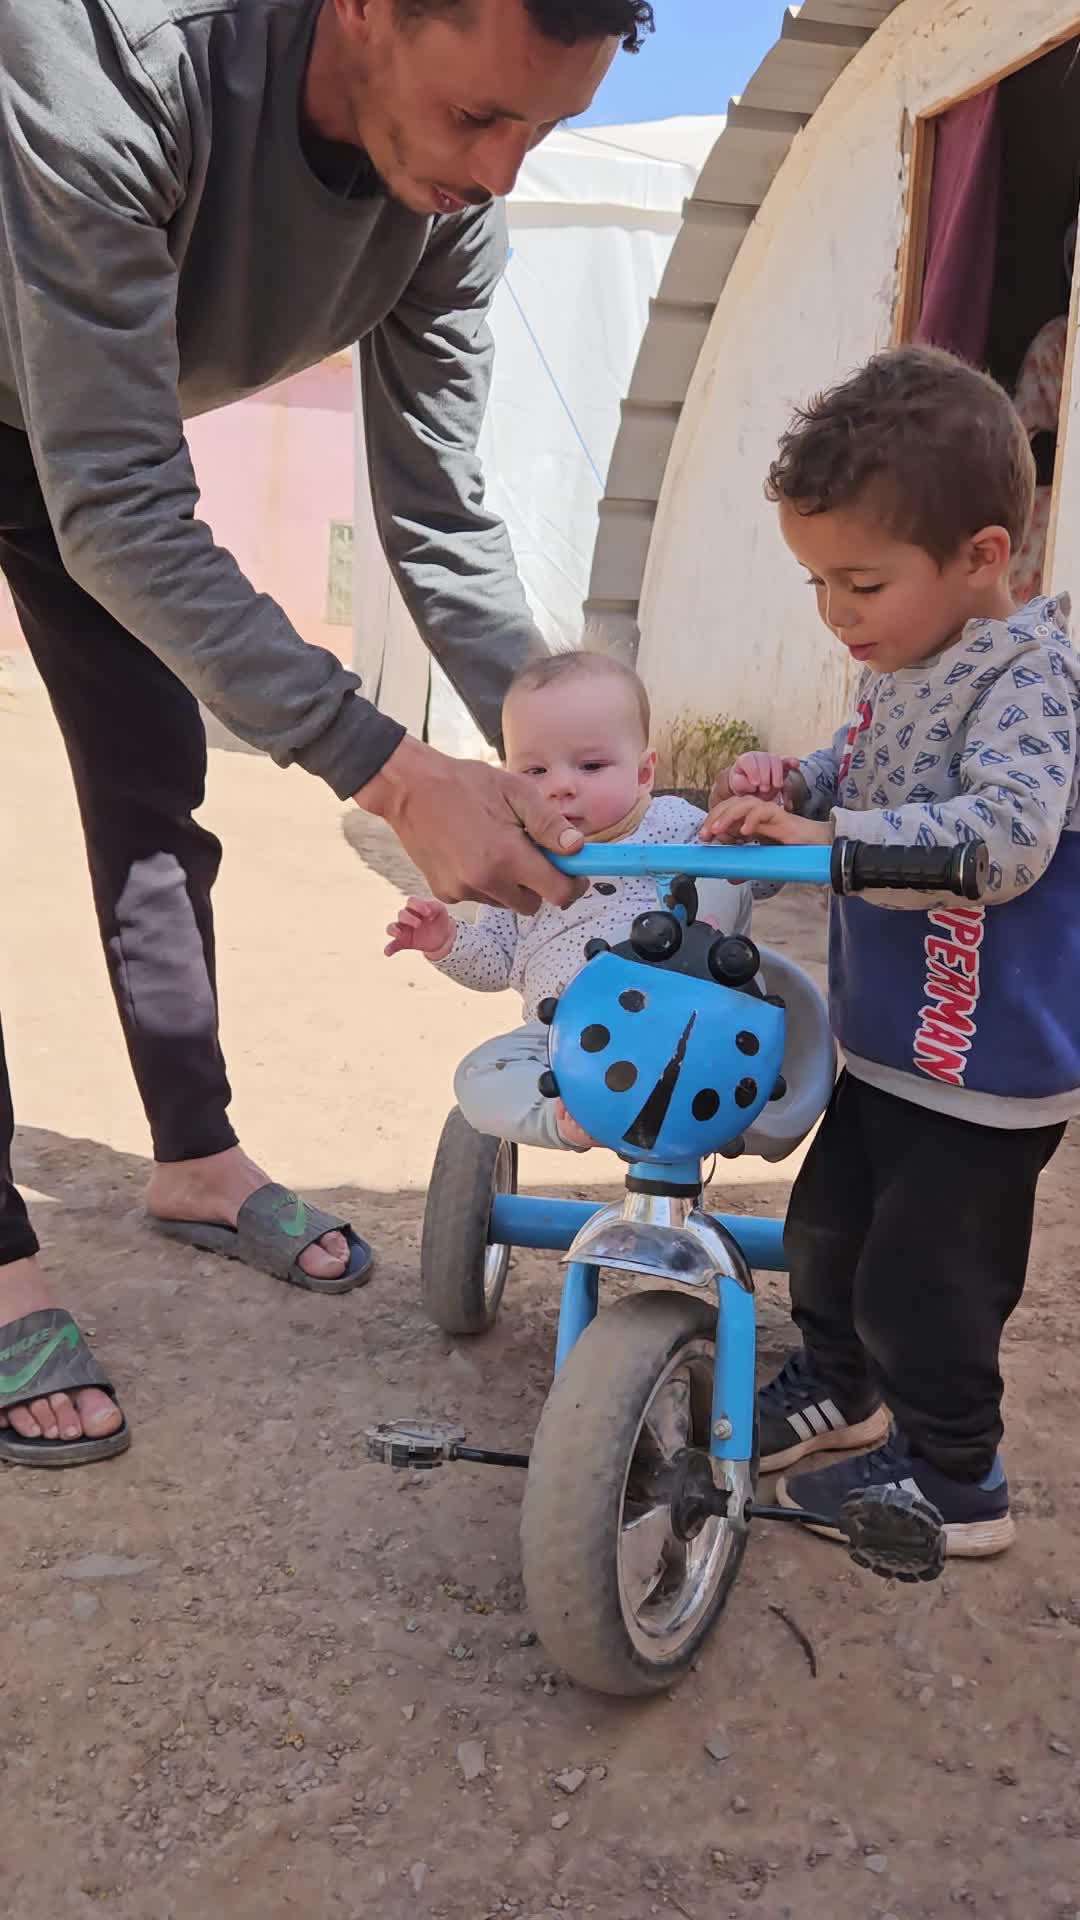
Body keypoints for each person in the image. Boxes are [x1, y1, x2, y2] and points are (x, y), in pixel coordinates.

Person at [0, 0, 654, 1465]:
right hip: (72, 432)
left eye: (543, 129)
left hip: (74, 444)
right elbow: (115, 497)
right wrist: (395, 770)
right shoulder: (115, 55)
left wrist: (574, 769)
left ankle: (196, 1158)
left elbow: (440, 520)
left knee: (154, 790)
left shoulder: (454, 206)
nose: (499, 173)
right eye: (481, 114)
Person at [703, 344, 1080, 1557]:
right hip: (893, 1042)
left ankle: (956, 1478)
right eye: (819, 583)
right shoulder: (911, 662)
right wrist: (796, 781)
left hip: (984, 1060)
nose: (836, 612)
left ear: (984, 555)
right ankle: (840, 1387)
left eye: (860, 582)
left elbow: (1005, 839)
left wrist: (830, 839)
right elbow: (865, 765)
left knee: (929, 1279)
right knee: (831, 1233)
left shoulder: (1031, 678)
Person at [385, 651, 753, 1150]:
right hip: (563, 1040)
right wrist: (445, 941)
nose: (560, 787)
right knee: (477, 1076)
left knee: (722, 864)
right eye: (535, 771)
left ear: (644, 773)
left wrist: (743, 831)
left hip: (683, 1025)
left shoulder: (673, 824)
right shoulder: (513, 856)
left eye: (591, 765)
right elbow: (497, 964)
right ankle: (564, 1119)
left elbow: (753, 881)